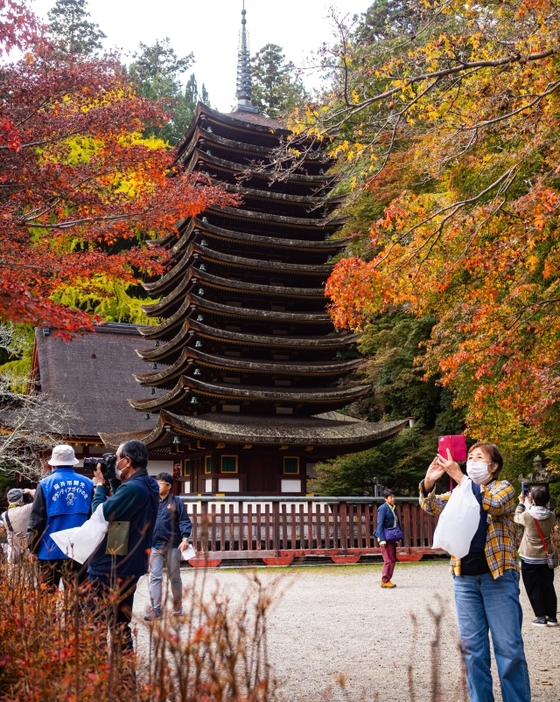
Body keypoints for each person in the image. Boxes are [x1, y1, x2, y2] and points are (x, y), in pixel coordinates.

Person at [420, 442, 531, 702]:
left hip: (499, 577)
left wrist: (460, 477)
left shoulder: (503, 487)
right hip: (465, 579)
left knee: (509, 649)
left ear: (493, 467)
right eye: (470, 457)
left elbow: (491, 504)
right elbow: (432, 505)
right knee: (473, 651)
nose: (471, 462)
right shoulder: (460, 492)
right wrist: (428, 482)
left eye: (479, 458)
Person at [87, 439, 159, 651]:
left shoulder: (133, 489)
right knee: (120, 623)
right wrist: (114, 481)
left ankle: (97, 675)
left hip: (110, 565)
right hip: (131, 562)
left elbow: (99, 515)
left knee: (95, 621)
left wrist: (100, 486)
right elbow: (125, 511)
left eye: (116, 459)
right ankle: (124, 678)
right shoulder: (150, 484)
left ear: (127, 461)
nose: (114, 463)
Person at [27, 444, 94, 587]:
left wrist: (32, 548)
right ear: (72, 462)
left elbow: (37, 519)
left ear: (53, 464)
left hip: (49, 551)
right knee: (77, 598)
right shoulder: (88, 484)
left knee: (46, 599)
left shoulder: (45, 484)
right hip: (78, 551)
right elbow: (93, 517)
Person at [145, 472, 192, 620]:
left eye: (160, 483)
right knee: (155, 577)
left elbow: (184, 521)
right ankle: (156, 609)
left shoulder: (177, 501)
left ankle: (177, 606)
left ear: (169, 486)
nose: (157, 486)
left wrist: (185, 538)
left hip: (173, 545)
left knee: (174, 576)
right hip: (155, 544)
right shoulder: (152, 501)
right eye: (156, 483)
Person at [515, 485, 558, 627]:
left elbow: (517, 517)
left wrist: (522, 502)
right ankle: (551, 616)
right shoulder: (551, 516)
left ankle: (540, 616)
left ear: (532, 499)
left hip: (530, 557)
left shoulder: (527, 515)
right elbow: (540, 512)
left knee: (534, 587)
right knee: (547, 586)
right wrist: (531, 502)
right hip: (546, 557)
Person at [373, 488, 400, 588]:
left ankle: (387, 579)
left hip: (392, 536)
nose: (393, 498)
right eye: (391, 497)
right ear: (385, 498)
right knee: (388, 560)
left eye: (394, 496)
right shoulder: (383, 508)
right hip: (384, 536)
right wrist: (382, 539)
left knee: (392, 559)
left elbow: (397, 523)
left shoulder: (393, 507)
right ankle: (385, 580)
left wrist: (398, 535)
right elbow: (379, 525)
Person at [0, 488, 35, 564]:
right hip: (28, 552)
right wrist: (30, 491)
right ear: (21, 501)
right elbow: (42, 498)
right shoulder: (28, 509)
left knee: (13, 574)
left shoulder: (3, 515)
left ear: (8, 501)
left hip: (13, 552)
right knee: (28, 574)